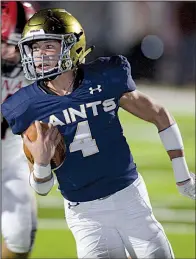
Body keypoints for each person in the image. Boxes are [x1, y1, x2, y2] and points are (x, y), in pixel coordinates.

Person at [2, 8, 195, 259]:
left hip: (131, 199)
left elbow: (159, 114)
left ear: (72, 46)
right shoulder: (25, 105)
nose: (39, 55)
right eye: (34, 48)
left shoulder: (105, 77)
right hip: (85, 215)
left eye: (48, 46)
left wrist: (182, 176)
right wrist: (40, 163)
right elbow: (41, 189)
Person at [1, 2, 38, 258]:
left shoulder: (37, 67)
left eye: (19, 45)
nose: (13, 53)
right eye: (5, 43)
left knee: (21, 237)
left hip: (10, 158)